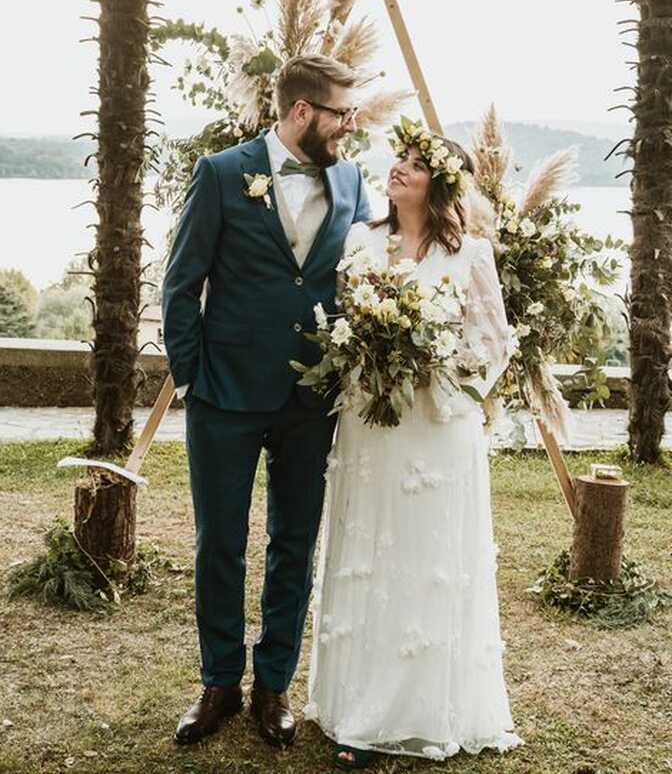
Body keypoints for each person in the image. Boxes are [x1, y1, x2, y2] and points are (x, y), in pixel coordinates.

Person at [161, 54, 371, 748]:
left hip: (311, 397)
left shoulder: (351, 179)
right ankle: (218, 682)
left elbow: (372, 271)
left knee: (294, 543)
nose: (350, 123)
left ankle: (272, 685)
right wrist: (191, 378)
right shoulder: (221, 174)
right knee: (219, 542)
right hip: (224, 395)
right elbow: (181, 282)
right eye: (341, 111)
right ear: (302, 112)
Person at [305, 133, 523, 768]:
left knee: (427, 559)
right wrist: (368, 353)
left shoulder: (473, 255)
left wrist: (437, 370)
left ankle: (425, 710)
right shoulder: (361, 242)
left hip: (436, 425)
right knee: (371, 555)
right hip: (372, 422)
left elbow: (493, 343)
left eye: (418, 163)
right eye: (400, 159)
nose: (399, 167)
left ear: (443, 183)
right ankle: (360, 711)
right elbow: (342, 322)